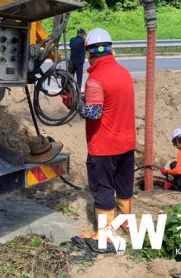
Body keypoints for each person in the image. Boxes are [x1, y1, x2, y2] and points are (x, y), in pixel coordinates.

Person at [61, 28, 135, 252]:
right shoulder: (124, 73)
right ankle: (125, 224)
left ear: (89, 55)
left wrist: (75, 103)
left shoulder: (96, 79)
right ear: (111, 49)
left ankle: (106, 235)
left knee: (103, 189)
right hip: (127, 144)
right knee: (123, 187)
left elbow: (94, 113)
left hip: (103, 147)